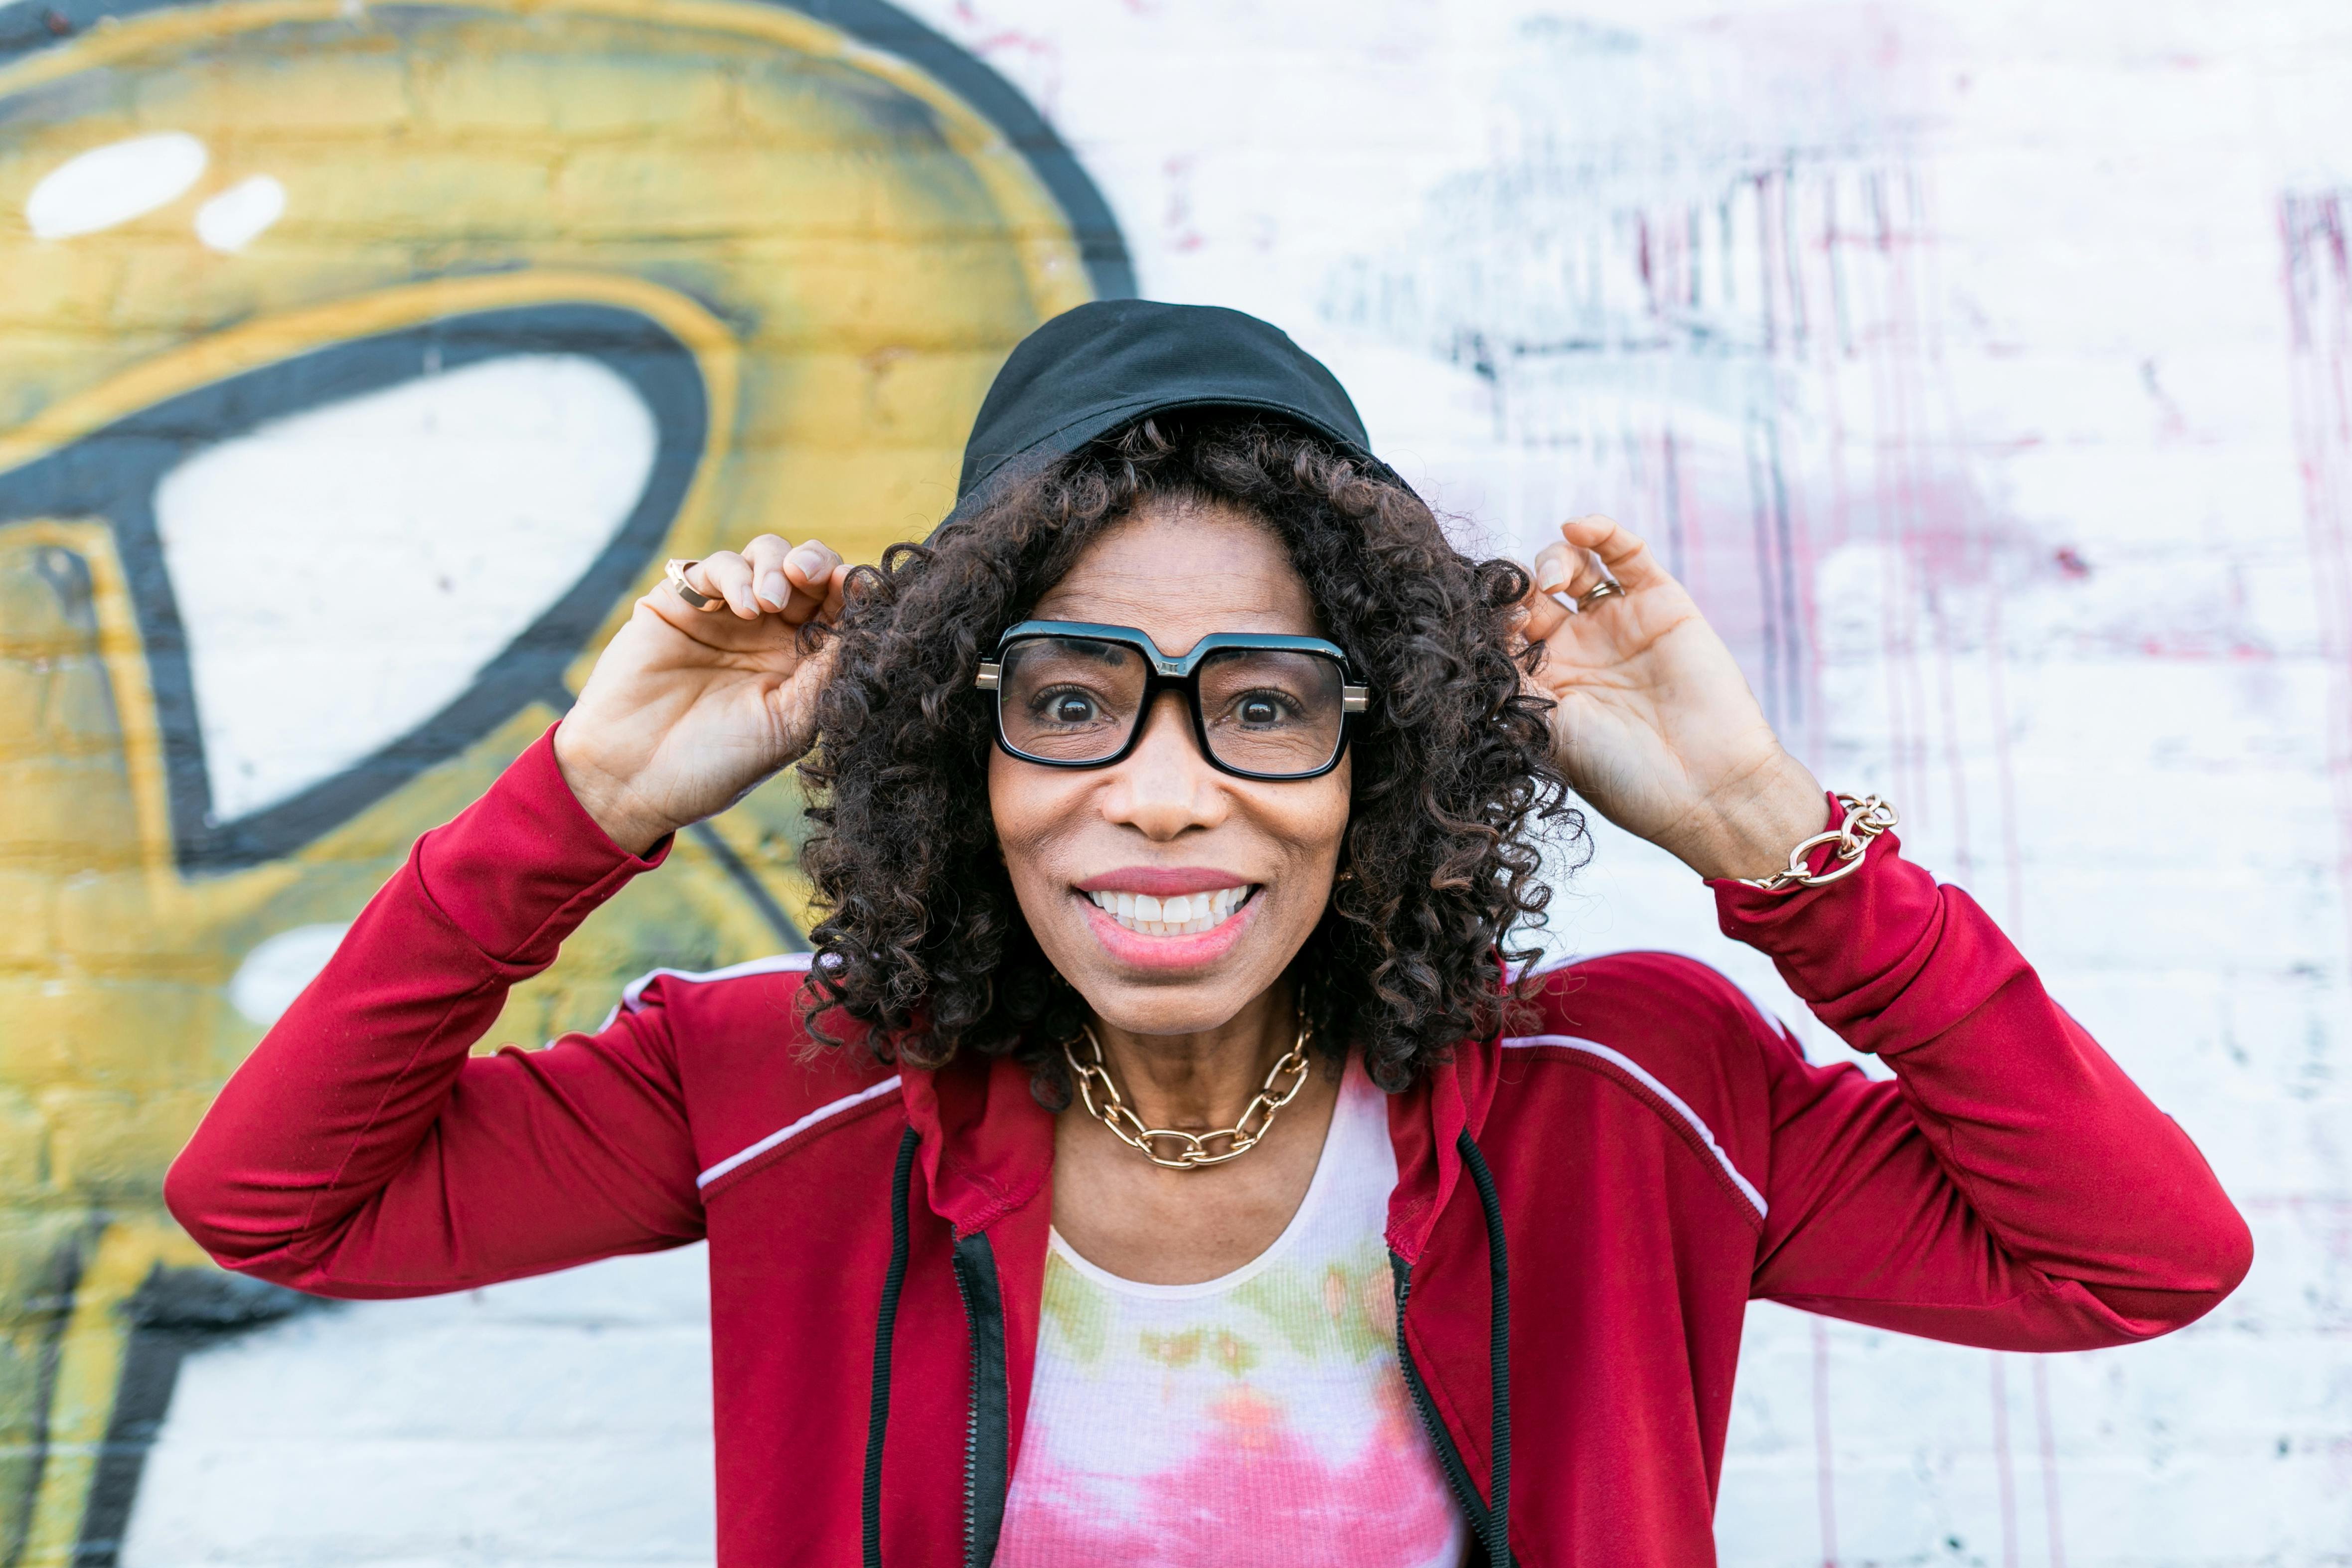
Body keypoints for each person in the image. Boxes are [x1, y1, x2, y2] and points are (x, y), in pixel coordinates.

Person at [166, 301, 2251, 1568]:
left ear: (1383, 757)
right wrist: (584, 807)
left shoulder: (1631, 1090)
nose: (1164, 788)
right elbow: (278, 1204)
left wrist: (1783, 850)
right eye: (1071, 698)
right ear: (958, 751)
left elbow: (2134, 1256)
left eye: (1262, 701)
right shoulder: (770, 1086)